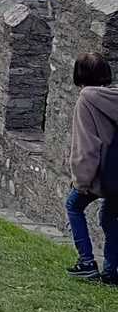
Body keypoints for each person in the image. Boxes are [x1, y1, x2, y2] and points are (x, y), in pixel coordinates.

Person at [66, 51, 118, 284]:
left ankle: (86, 262)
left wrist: (81, 180)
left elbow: (86, 146)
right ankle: (111, 271)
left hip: (100, 173)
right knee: (109, 217)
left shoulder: (86, 99)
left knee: (73, 206)